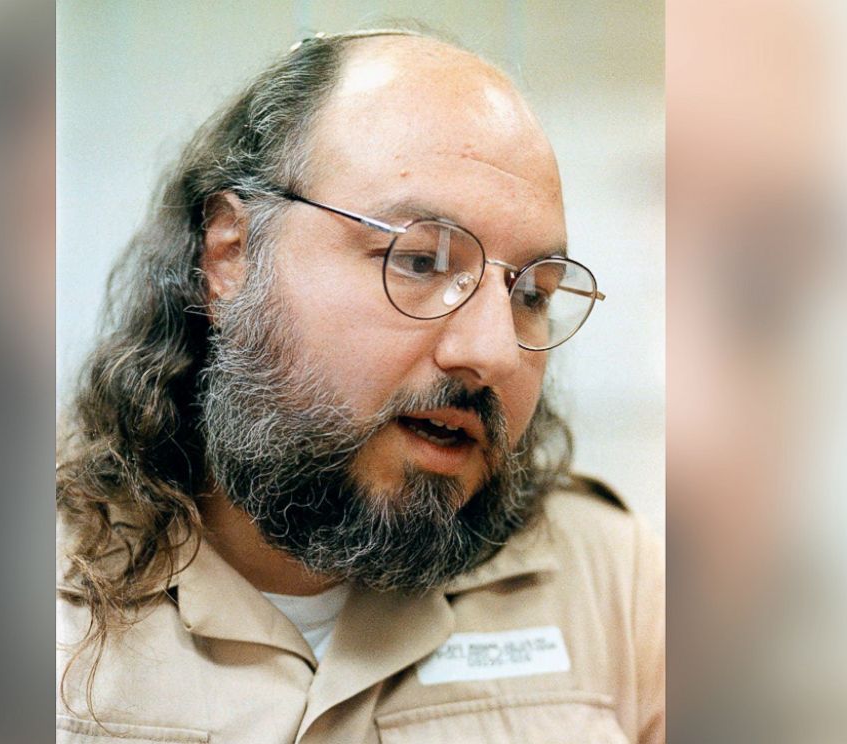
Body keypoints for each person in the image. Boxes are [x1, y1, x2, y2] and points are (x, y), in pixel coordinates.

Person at [56, 28, 664, 744]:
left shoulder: (613, 582)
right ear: (233, 254)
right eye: (420, 261)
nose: (494, 351)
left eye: (531, 292)